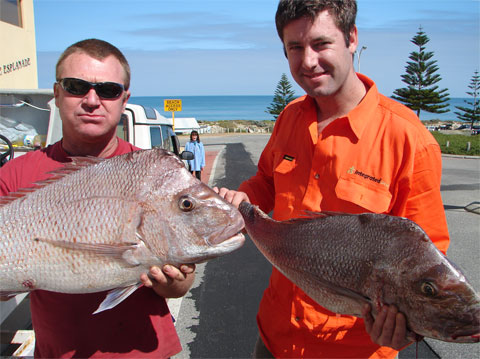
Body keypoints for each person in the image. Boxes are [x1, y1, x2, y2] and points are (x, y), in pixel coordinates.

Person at [215, 1, 450, 358]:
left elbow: (428, 268)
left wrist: (407, 328)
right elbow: (266, 181)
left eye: (321, 44)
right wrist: (241, 196)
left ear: (352, 38)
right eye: (295, 47)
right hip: (274, 337)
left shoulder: (408, 141)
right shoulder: (290, 118)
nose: (308, 61)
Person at [0, 39, 195, 358]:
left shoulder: (154, 172)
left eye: (108, 90)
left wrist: (170, 280)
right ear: (57, 93)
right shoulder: (15, 175)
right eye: (76, 86)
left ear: (124, 99)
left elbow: (182, 285)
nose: (92, 100)